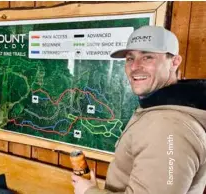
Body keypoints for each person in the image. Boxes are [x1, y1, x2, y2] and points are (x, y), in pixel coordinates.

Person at [71, 26, 206, 194]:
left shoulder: (170, 127)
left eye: (147, 57)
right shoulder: (160, 109)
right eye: (130, 58)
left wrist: (88, 191)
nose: (135, 66)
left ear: (174, 62)